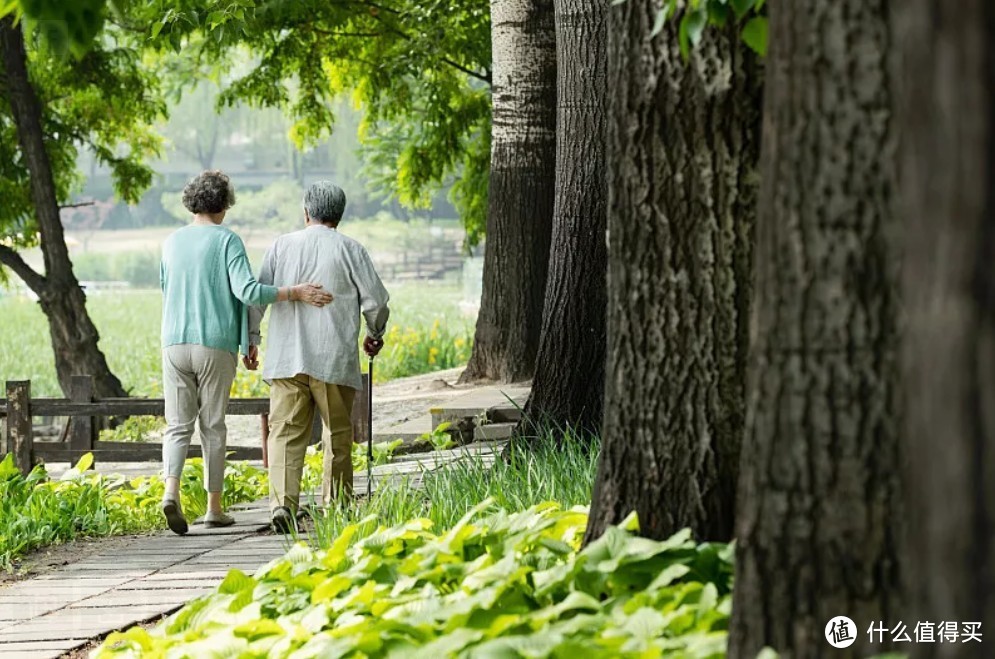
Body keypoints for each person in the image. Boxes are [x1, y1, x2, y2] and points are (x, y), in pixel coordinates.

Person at [160, 170, 332, 535]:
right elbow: (249, 292)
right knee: (212, 426)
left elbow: (167, 289)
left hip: (173, 342)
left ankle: (170, 492)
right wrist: (293, 292)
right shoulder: (227, 240)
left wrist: (246, 338)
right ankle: (213, 508)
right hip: (213, 344)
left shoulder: (171, 242)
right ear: (223, 204)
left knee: (177, 426)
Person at [250, 180, 389, 533]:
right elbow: (376, 302)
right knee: (337, 434)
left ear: (306, 211)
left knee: (284, 433)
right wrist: (375, 334)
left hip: (286, 356)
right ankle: (337, 506)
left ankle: (282, 505)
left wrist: (251, 338)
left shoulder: (281, 246)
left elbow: (259, 297)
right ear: (339, 216)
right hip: (332, 357)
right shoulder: (351, 249)